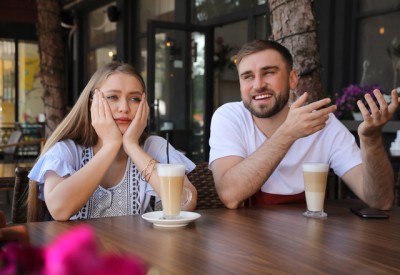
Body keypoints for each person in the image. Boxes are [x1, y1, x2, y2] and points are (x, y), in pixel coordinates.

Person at [209, 39, 397, 210]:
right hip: (246, 241)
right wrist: (288, 133)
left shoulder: (323, 122)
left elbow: (380, 201)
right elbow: (230, 195)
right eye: (248, 76)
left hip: (311, 241)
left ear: (292, 79)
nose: (258, 85)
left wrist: (371, 139)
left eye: (269, 72)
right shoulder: (229, 117)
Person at [28, 61, 197, 221]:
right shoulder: (67, 150)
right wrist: (111, 146)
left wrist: (132, 146)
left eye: (135, 99)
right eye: (112, 97)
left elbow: (186, 203)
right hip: (81, 251)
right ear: (91, 105)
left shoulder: (155, 147)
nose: (124, 107)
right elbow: (59, 209)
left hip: (138, 250)